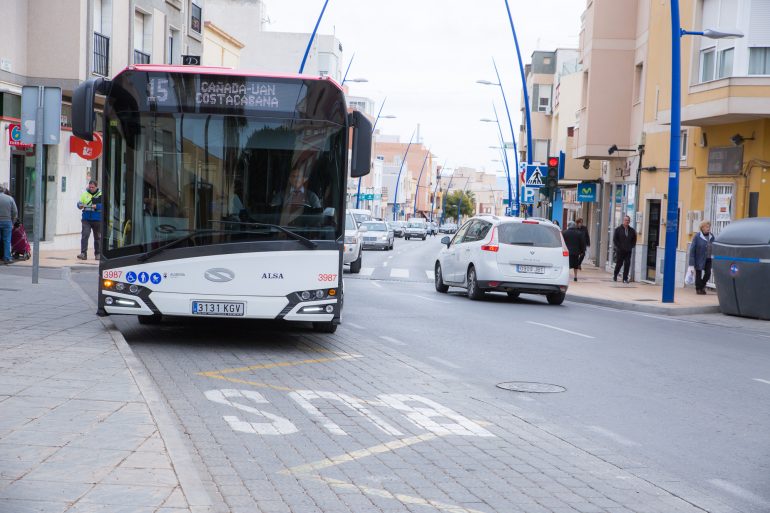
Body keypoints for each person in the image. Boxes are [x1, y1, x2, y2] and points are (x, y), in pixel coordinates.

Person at [270, 155, 322, 225]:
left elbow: (319, 217)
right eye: (293, 176)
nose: (296, 179)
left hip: (306, 229)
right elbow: (272, 215)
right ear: (289, 179)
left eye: (299, 176)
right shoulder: (280, 196)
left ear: (304, 179)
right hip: (284, 228)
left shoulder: (312, 196)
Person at [77, 180, 102, 260]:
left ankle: (98, 254)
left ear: (96, 187)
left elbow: (105, 205)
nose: (91, 188)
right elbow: (79, 203)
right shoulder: (85, 194)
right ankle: (83, 253)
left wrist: (97, 206)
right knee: (85, 235)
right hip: (86, 219)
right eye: (90, 187)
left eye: (93, 187)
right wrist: (80, 205)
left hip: (97, 219)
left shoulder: (101, 194)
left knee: (97, 237)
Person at [688, 220, 715, 295]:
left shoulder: (712, 236)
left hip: (708, 258)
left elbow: (714, 246)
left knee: (708, 273)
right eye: (707, 227)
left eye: (709, 227)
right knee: (698, 274)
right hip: (699, 258)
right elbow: (692, 249)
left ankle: (702, 285)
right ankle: (698, 289)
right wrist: (691, 263)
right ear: (702, 228)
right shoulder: (697, 236)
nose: (708, 228)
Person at [612, 215, 637, 283]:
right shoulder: (618, 229)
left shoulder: (632, 230)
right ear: (623, 221)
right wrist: (619, 247)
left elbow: (634, 239)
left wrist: (631, 246)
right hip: (620, 250)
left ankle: (625, 278)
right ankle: (615, 275)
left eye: (628, 220)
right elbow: (615, 239)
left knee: (627, 264)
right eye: (626, 220)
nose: (627, 221)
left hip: (628, 251)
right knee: (619, 264)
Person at [0, 188, 18, 264]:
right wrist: (13, 222)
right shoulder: (10, 198)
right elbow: (15, 211)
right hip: (7, 221)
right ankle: (7, 258)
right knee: (7, 240)